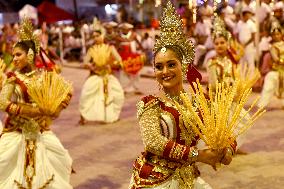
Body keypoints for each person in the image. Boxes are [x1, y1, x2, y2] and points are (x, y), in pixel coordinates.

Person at [129, 2, 236, 188]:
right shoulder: (150, 104)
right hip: (156, 180)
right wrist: (199, 155)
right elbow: (154, 142)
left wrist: (226, 151)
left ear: (183, 66)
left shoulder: (199, 101)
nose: (165, 71)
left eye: (171, 64)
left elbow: (224, 130)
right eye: (159, 66)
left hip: (188, 177)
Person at [0, 19, 72, 189]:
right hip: (16, 131)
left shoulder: (44, 76)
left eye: (18, 54)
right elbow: (2, 102)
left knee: (62, 159)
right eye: (14, 54)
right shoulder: (13, 77)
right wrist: (29, 110)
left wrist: (55, 109)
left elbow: (66, 92)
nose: (15, 58)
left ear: (30, 55)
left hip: (40, 131)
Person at [78, 29, 124, 125]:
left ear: (102, 36)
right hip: (96, 75)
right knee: (85, 96)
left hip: (108, 76)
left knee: (118, 95)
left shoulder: (110, 48)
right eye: (94, 37)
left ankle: (111, 116)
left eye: (97, 36)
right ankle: (83, 116)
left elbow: (119, 61)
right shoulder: (91, 49)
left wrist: (111, 65)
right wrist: (90, 66)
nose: (96, 38)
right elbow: (85, 62)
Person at [258, 23, 284, 108]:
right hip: (275, 71)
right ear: (272, 36)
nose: (276, 36)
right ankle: (262, 105)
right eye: (274, 34)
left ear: (281, 34)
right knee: (268, 87)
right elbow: (276, 59)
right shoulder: (272, 47)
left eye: (278, 34)